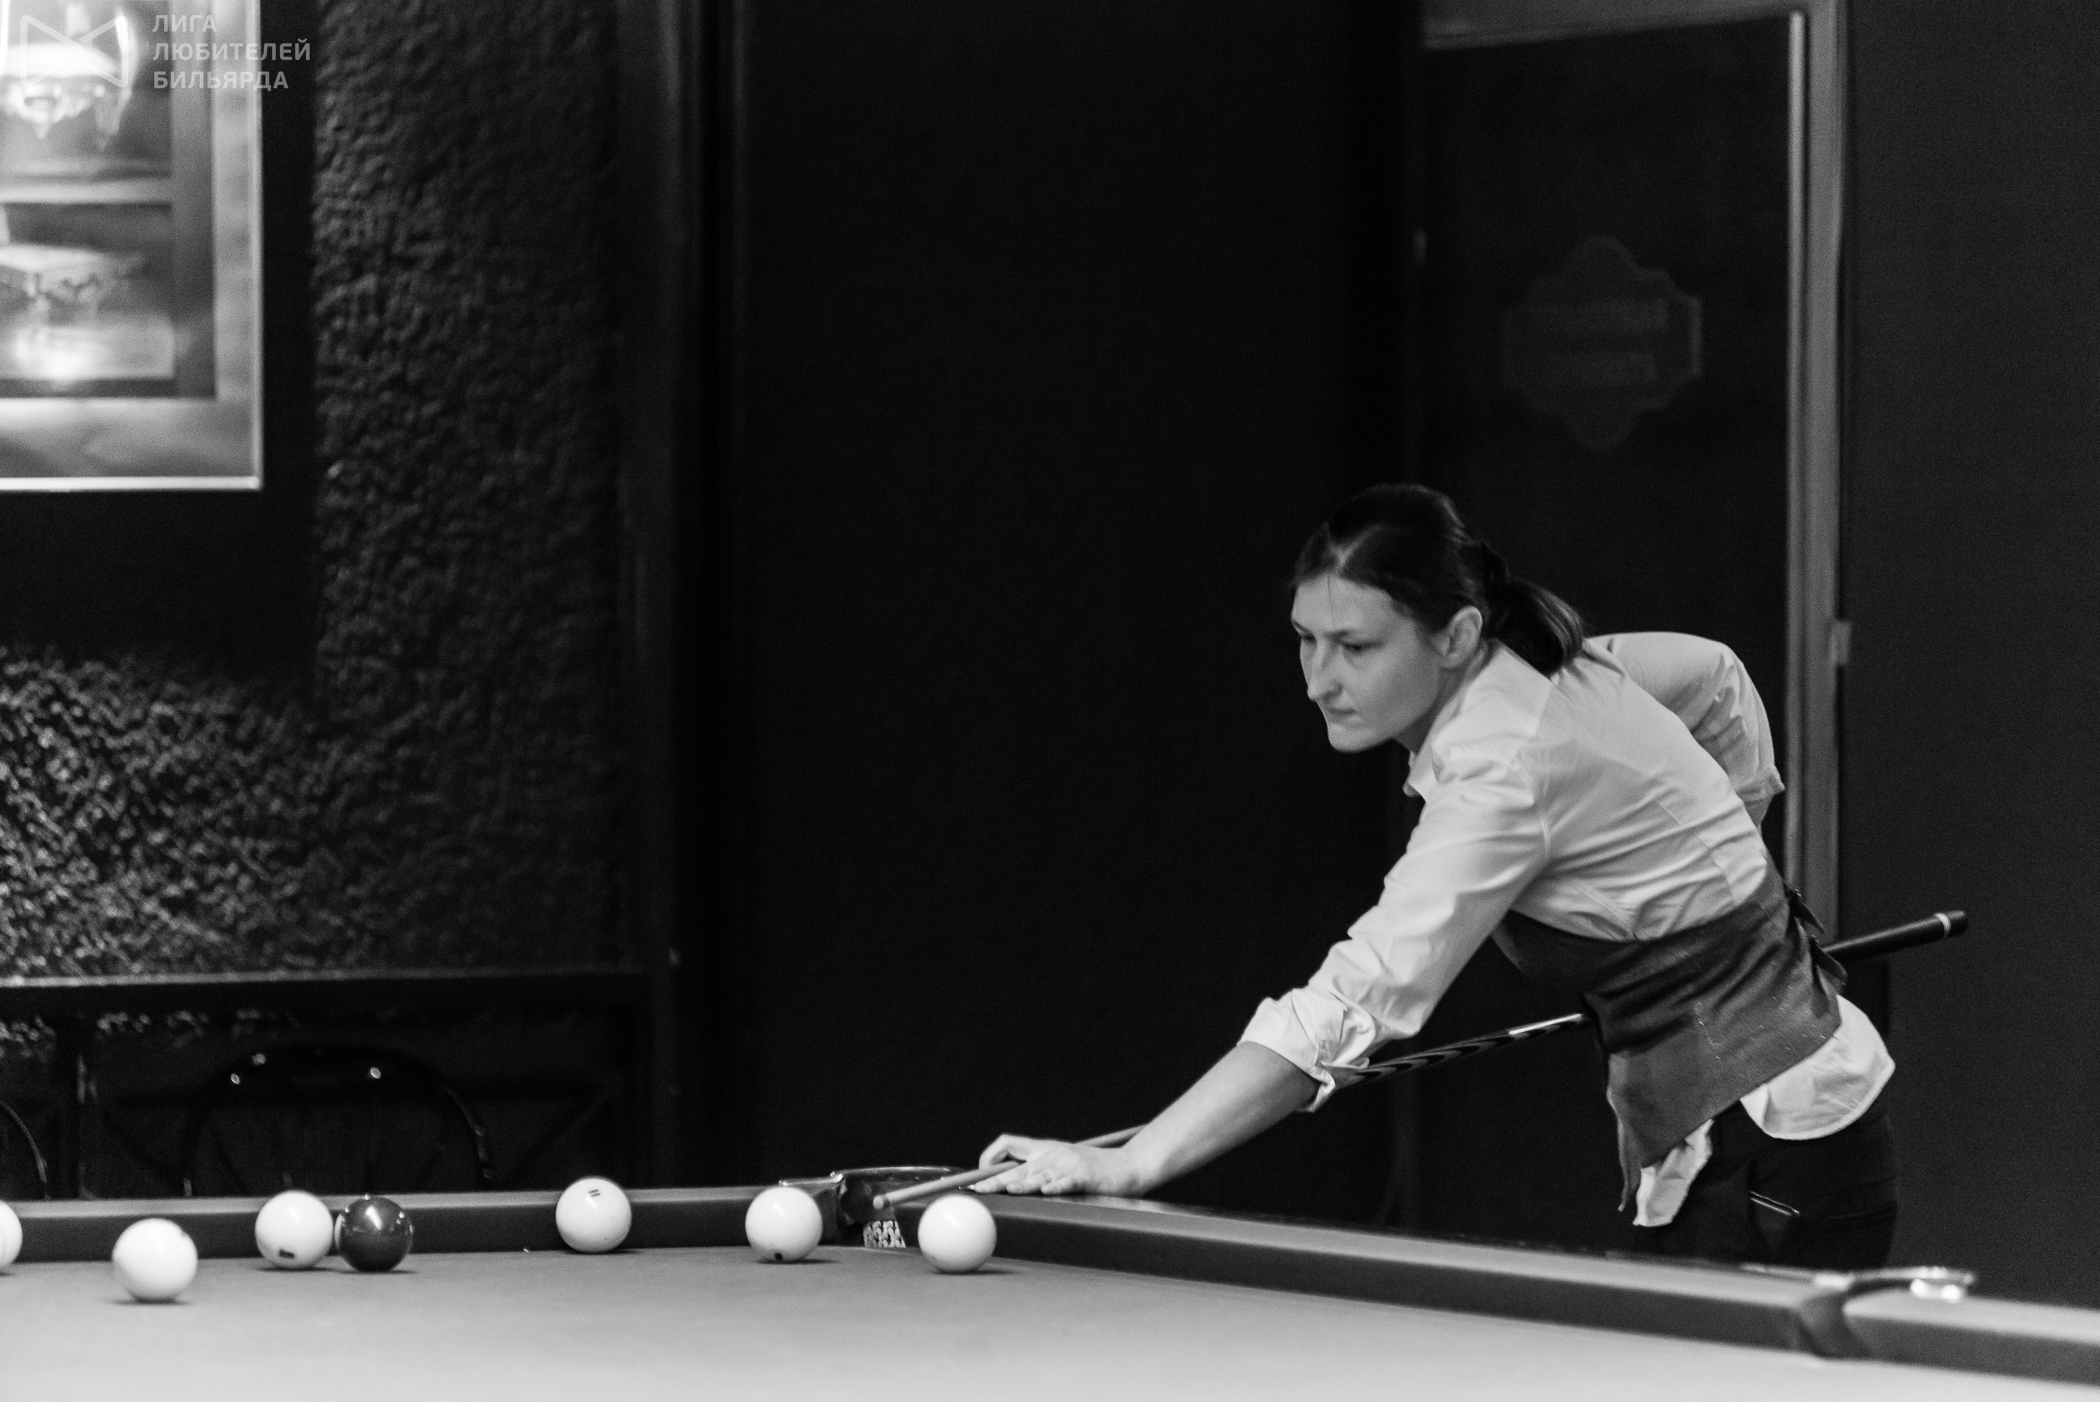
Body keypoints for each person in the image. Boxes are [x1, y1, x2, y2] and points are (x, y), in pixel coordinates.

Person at [976, 483, 1898, 1268]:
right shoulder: (1548, 663)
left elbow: (1352, 1001)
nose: (1318, 679)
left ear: (1455, 634)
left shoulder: (1505, 766)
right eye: (1304, 638)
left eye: (1356, 647)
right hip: (1756, 1141)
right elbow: (1716, 678)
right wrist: (1731, 886)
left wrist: (1132, 1162)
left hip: (1777, 1150)